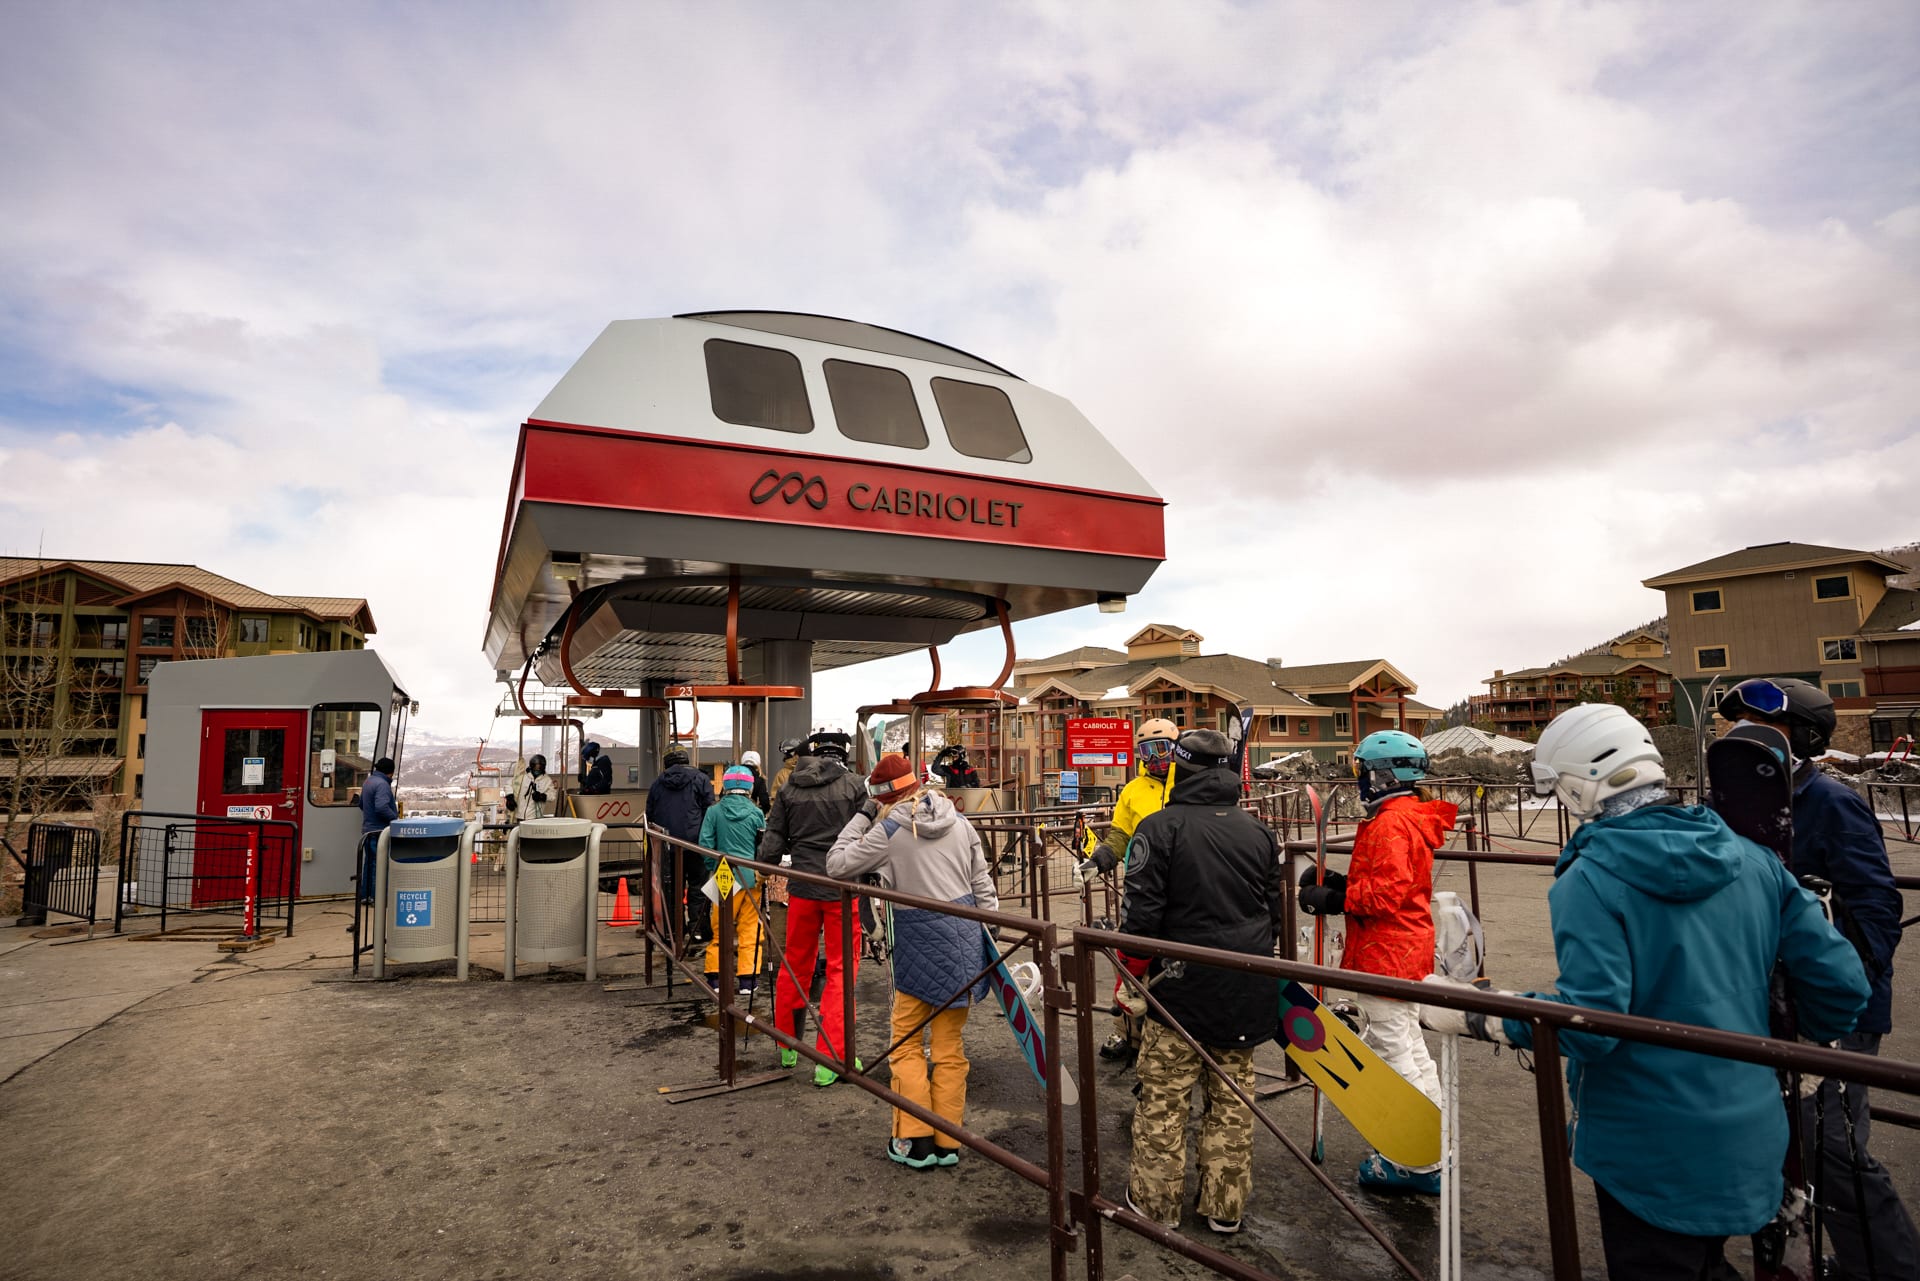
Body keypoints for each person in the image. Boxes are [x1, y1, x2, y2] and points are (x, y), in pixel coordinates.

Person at [1421, 703, 1868, 1281]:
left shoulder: (1591, 878)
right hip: (1753, 1125)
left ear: (1579, 786)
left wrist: (1477, 1016)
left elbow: (1592, 1024)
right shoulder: (1755, 859)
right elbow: (1842, 983)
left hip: (1644, 1142)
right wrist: (1804, 1040)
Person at [1717, 676, 1919, 1279]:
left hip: (1832, 1012)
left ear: (1803, 737)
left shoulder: (1831, 802)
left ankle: (1890, 1269)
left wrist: (1839, 996)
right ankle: (1794, 1255)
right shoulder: (1732, 803)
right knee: (1779, 1141)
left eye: (1761, 727)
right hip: (1764, 1001)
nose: (1742, 736)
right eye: (1736, 726)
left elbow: (1876, 908)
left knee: (1832, 1150)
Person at [1119, 728, 1284, 1236]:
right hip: (1245, 984)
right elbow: (1273, 915)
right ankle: (1224, 1205)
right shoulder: (1259, 832)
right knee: (1232, 1102)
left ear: (1179, 768)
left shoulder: (1160, 828)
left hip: (1179, 990)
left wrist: (1130, 973)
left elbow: (1141, 920)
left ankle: (1155, 1203)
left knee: (1164, 1101)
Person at [1296, 729, 1454, 1195]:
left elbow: (1386, 894)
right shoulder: (1405, 816)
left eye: (1362, 771)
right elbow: (1395, 880)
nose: (1360, 780)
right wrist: (1342, 883)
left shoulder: (1389, 823)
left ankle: (1415, 1160)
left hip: (1387, 951)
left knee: (1393, 1051)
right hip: (1406, 946)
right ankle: (1435, 1143)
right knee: (1411, 1047)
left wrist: (1336, 899)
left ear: (1383, 775)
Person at [828, 753, 998, 1169]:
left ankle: (914, 1140)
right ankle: (949, 1139)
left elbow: (836, 863)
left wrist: (863, 814)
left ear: (882, 797)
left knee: (905, 1043)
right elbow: (982, 884)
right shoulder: (959, 821)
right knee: (949, 1047)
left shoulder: (888, 830)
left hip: (918, 942)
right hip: (964, 941)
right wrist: (990, 935)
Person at [761, 730, 867, 1084]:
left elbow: (774, 837)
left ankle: (787, 1044)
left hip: (802, 886)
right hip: (842, 888)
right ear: (843, 754)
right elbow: (870, 836)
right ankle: (832, 1056)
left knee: (795, 962)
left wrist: (765, 867)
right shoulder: (855, 786)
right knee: (841, 969)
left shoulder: (790, 788)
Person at [1077, 717, 1178, 1064]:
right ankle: (1125, 1031)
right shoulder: (1133, 790)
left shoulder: (1189, 783)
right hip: (1143, 885)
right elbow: (1120, 833)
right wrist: (1099, 860)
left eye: (1162, 748)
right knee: (1131, 955)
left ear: (1176, 748)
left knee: (1174, 962)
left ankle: (1174, 1037)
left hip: (1182, 886)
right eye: (1147, 751)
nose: (1155, 758)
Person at [700, 765, 768, 990]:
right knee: (750, 928)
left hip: (724, 874)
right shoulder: (756, 813)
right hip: (750, 876)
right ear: (750, 788)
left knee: (721, 928)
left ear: (725, 785)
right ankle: (748, 980)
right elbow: (762, 846)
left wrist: (714, 867)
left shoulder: (714, 812)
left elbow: (705, 844)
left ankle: (716, 977)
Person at [647, 748, 715, 949]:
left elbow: (650, 814)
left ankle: (673, 931)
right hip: (696, 844)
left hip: (667, 845)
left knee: (672, 889)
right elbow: (709, 811)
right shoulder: (701, 779)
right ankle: (698, 931)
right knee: (698, 888)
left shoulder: (657, 783)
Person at [357, 756, 399, 904]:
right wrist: (395, 818)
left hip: (368, 830)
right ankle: (378, 897)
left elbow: (361, 804)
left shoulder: (368, 782)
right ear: (391, 772)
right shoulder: (382, 785)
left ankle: (365, 895)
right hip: (379, 831)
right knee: (380, 864)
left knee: (369, 863)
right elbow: (381, 807)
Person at [509, 753, 553, 821]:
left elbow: (552, 796)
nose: (537, 769)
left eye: (539, 767)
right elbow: (509, 784)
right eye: (535, 767)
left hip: (535, 817)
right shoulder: (523, 777)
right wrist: (510, 797)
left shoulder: (546, 780)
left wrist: (542, 796)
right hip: (520, 815)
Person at [739, 749, 772, 814]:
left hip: (730, 812)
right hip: (749, 813)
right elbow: (764, 802)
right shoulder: (759, 779)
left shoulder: (733, 775)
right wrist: (761, 813)